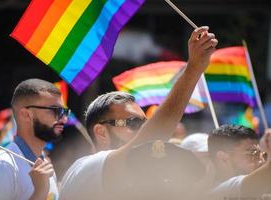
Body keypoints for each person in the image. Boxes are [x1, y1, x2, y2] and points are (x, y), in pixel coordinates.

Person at [59, 26, 218, 200]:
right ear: (101, 132)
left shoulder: (141, 180)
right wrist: (193, 69)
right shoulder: (86, 169)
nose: (143, 129)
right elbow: (152, 136)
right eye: (134, 123)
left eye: (145, 123)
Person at [0, 79, 69, 200]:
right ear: (26, 115)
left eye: (65, 111)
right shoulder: (4, 164)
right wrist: (39, 192)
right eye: (55, 111)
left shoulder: (46, 164)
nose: (64, 119)